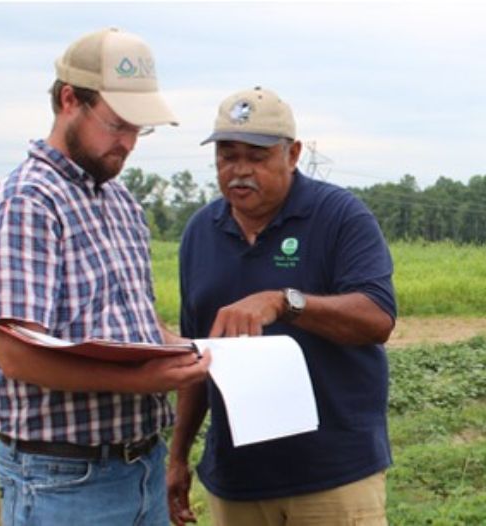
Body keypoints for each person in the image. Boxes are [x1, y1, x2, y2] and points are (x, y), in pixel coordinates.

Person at [0, 28, 210, 526]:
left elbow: (133, 320)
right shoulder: (27, 203)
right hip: (64, 479)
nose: (129, 144)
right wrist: (142, 380)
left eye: (140, 130)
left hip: (142, 465)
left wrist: (184, 349)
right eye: (118, 125)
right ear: (70, 100)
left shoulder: (119, 202)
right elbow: (17, 353)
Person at [167, 86, 397, 526]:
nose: (239, 171)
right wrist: (177, 458)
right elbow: (196, 357)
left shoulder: (339, 216)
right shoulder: (200, 232)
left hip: (333, 477)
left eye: (256, 157)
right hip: (237, 480)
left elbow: (378, 318)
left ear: (292, 154)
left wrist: (284, 302)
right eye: (227, 156)